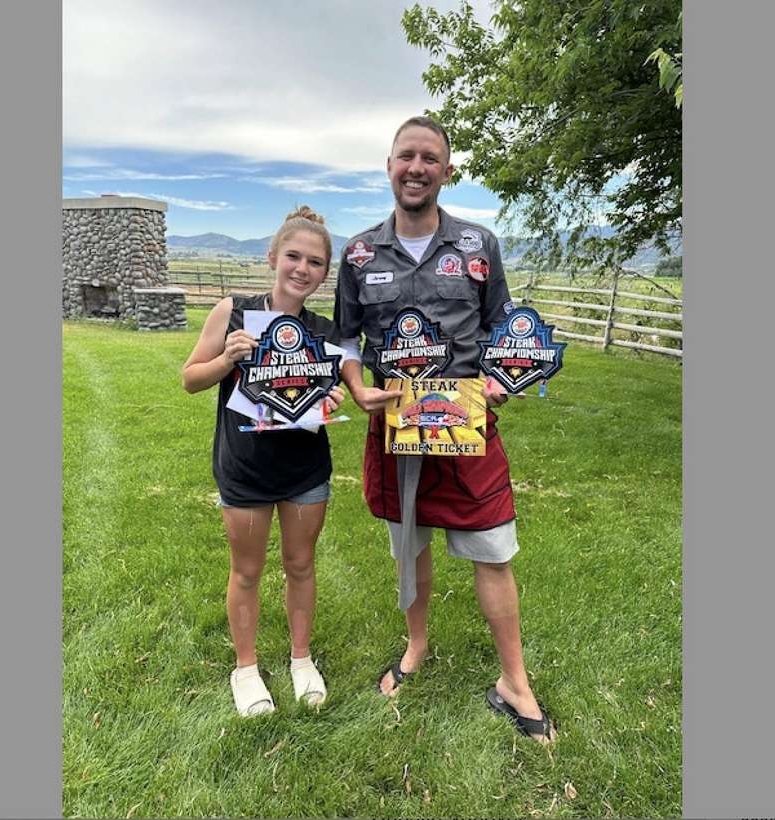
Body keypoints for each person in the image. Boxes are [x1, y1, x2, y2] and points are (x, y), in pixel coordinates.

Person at [334, 116, 557, 743]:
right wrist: (355, 384)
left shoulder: (479, 246)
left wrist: (500, 384)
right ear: (389, 165)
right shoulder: (357, 254)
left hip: (467, 428)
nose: (417, 167)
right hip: (397, 430)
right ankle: (416, 645)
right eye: (407, 156)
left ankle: (514, 680)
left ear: (446, 171)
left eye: (430, 158)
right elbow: (346, 340)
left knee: (492, 549)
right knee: (410, 545)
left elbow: (504, 332)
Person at [182, 206, 347, 717]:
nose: (302, 269)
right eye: (293, 256)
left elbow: (327, 389)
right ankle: (246, 669)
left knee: (300, 565)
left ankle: (302, 660)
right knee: (247, 571)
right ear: (272, 257)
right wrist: (228, 358)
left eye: (315, 262)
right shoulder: (233, 311)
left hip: (304, 469)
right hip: (246, 467)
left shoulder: (324, 327)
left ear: (325, 272)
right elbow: (191, 377)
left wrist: (330, 399)